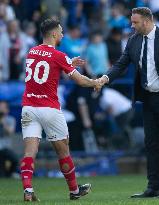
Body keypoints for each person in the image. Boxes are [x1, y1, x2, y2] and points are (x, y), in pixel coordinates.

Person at [96, 7, 159, 198]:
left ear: (146, 21)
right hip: (148, 97)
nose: (132, 25)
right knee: (151, 143)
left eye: (135, 22)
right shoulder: (133, 40)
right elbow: (121, 64)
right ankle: (153, 187)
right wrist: (104, 78)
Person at [20, 18, 99, 202]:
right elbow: (79, 80)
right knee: (63, 152)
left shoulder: (32, 52)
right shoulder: (59, 55)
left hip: (29, 108)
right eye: (61, 31)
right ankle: (73, 191)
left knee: (29, 152)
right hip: (49, 109)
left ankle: (28, 190)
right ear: (54, 34)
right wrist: (95, 82)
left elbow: (45, 65)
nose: (63, 34)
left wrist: (68, 62)